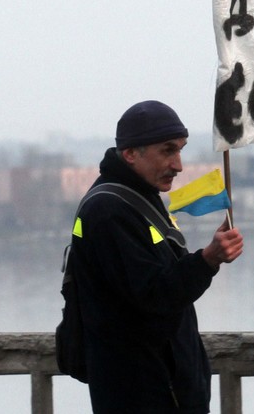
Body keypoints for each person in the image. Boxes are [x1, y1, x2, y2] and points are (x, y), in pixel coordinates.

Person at [71, 100, 244, 413]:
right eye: (167, 150)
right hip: (143, 395)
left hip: (167, 391)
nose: (178, 164)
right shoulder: (109, 211)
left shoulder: (139, 198)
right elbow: (154, 294)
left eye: (180, 149)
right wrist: (207, 259)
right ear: (130, 154)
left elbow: (162, 283)